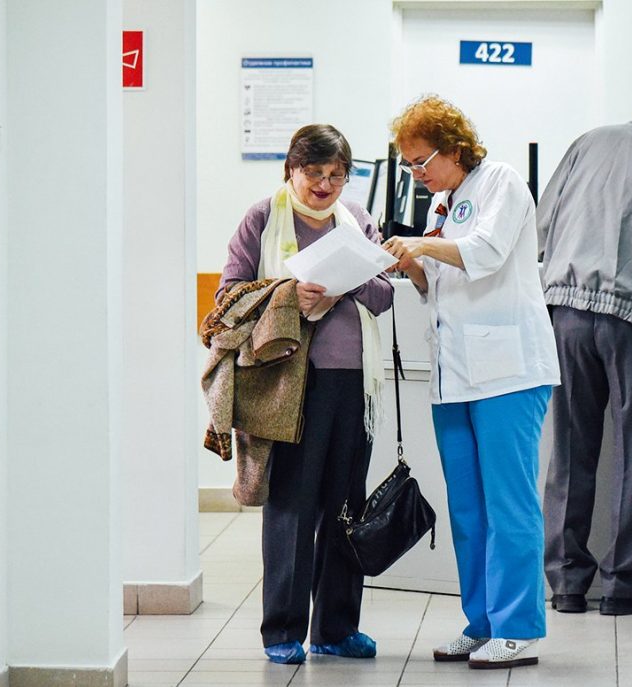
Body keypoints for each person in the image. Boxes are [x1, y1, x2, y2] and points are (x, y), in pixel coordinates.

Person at [383, 95, 560, 669]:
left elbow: (484, 253)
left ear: (454, 148)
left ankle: (519, 627)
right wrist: (407, 263)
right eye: (408, 165)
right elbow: (435, 285)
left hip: (508, 372)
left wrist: (421, 244)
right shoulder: (445, 203)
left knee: (510, 505)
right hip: (455, 377)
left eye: (421, 160)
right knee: (468, 509)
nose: (417, 174)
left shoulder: (501, 182)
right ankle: (481, 621)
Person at [216, 124, 394, 664]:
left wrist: (352, 279)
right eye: (314, 173)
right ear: (291, 170)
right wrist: (289, 292)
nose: (325, 185)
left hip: (350, 384)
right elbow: (227, 297)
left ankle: (337, 628)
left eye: (337, 175)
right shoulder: (262, 218)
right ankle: (283, 630)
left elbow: (384, 294)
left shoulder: (357, 220)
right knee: (292, 506)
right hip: (286, 384)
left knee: (345, 505)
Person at [538, 108, 632, 615]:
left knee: (571, 447)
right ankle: (622, 587)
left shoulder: (589, 140)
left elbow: (541, 225)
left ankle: (566, 584)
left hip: (569, 312)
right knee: (631, 451)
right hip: (631, 314)